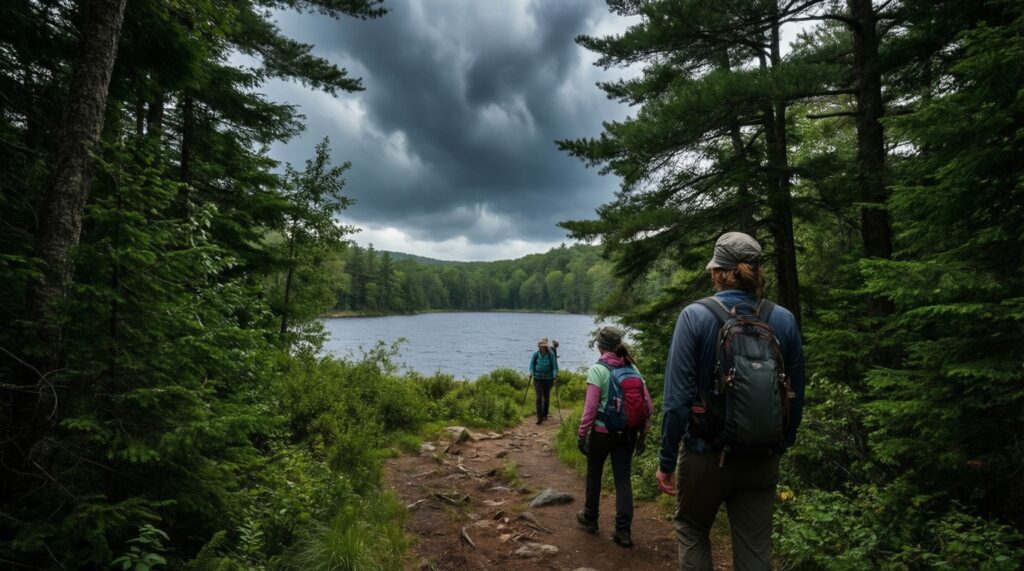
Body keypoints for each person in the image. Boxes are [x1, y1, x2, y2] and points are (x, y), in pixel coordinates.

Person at [656, 232, 805, 570]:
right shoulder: (783, 320)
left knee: (693, 529)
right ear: (756, 272)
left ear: (717, 272)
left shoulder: (694, 316)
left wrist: (666, 460)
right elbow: (796, 394)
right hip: (763, 454)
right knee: (755, 550)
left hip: (704, 454)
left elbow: (677, 401)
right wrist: (783, 442)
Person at [575, 326, 653, 548]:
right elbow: (649, 405)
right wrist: (643, 435)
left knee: (594, 474)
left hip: (602, 433)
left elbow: (590, 409)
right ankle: (623, 531)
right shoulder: (633, 368)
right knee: (622, 480)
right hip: (627, 434)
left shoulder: (597, 370)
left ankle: (590, 518)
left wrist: (582, 435)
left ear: (600, 346)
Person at [528, 337, 558, 424]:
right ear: (539, 346)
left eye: (544, 346)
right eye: (542, 346)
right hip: (537, 378)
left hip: (548, 379)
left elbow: (555, 368)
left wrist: (555, 376)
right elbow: (531, 365)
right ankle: (539, 417)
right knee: (538, 398)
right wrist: (531, 372)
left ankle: (545, 414)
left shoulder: (551, 354)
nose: (543, 347)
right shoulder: (536, 354)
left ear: (546, 346)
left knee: (546, 397)